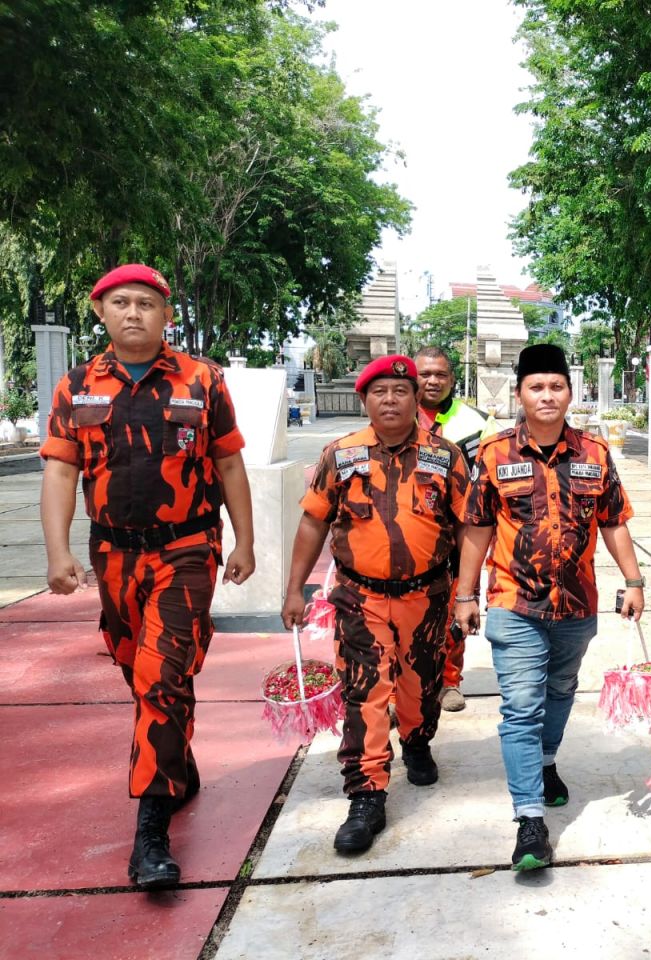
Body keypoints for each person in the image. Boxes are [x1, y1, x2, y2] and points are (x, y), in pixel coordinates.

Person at [39, 263, 256, 890]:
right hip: (113, 556)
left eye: (147, 304)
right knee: (140, 670)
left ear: (167, 315)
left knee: (162, 675)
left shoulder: (201, 379)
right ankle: (177, 766)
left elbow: (229, 463)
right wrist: (58, 553)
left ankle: (152, 831)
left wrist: (244, 539)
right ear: (100, 312)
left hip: (187, 548)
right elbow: (58, 471)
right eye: (120, 303)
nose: (133, 313)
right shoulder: (78, 386)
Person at [455, 344, 646, 872]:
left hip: (577, 604)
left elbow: (613, 521)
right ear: (519, 393)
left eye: (556, 386)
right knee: (520, 706)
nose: (547, 395)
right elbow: (477, 527)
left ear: (570, 392)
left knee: (560, 690)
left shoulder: (595, 455)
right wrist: (465, 594)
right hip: (514, 602)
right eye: (536, 386)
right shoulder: (493, 455)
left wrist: (633, 580)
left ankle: (545, 762)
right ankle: (529, 819)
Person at [282, 355, 469, 855]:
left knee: (419, 687)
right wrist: (294, 590)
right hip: (358, 596)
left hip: (427, 597)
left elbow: (469, 527)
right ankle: (366, 793)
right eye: (380, 391)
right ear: (365, 400)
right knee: (365, 692)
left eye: (401, 391)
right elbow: (313, 523)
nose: (391, 400)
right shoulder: (339, 455)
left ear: (417, 400)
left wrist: (466, 593)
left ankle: (417, 739)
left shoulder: (446, 456)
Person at [414, 346, 499, 713]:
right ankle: (399, 687)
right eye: (424, 374)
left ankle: (449, 680)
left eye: (441, 375)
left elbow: (494, 480)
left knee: (457, 609)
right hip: (409, 536)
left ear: (453, 378)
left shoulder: (479, 422)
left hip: (462, 536)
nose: (432, 381)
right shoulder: (396, 414)